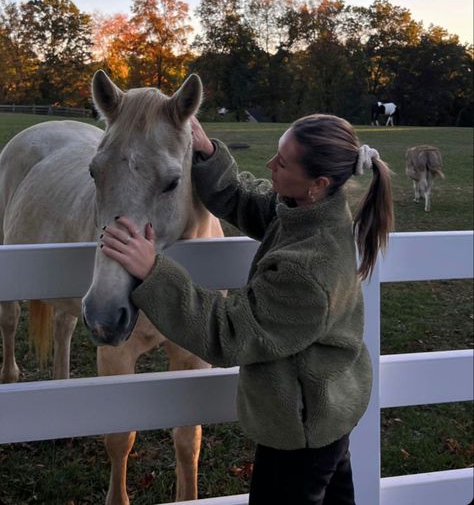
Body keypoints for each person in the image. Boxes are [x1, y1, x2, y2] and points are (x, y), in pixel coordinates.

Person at [101, 113, 393, 505]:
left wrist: (153, 273)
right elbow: (248, 201)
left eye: (283, 163)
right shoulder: (313, 211)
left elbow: (230, 334)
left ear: (316, 184)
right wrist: (207, 154)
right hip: (326, 412)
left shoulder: (308, 268)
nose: (271, 165)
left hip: (301, 432)